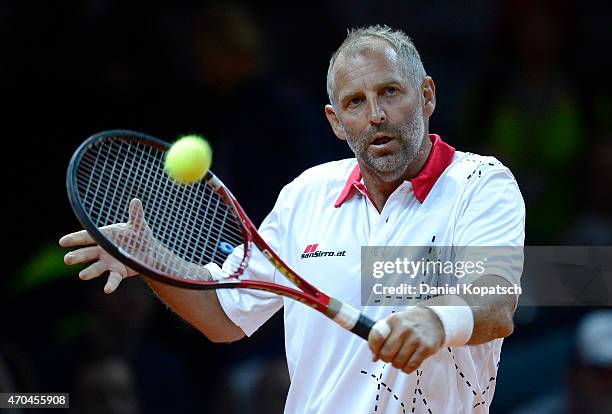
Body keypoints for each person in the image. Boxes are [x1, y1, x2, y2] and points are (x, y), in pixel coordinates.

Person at [60, 25, 525, 413]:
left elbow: (496, 299)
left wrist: (436, 320)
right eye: (355, 102)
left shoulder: (480, 183)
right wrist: (150, 260)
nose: (376, 115)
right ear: (335, 122)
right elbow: (223, 316)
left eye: (390, 92)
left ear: (426, 96)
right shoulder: (306, 195)